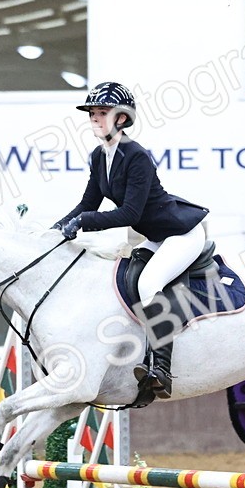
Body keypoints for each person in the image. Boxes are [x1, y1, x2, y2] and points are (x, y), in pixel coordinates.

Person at [53, 81, 210, 399]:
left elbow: (128, 213)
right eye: (93, 113)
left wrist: (83, 223)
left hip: (181, 233)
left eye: (103, 113)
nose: (95, 119)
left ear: (122, 119)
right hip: (156, 237)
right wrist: (54, 231)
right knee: (128, 276)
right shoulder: (100, 157)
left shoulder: (136, 156)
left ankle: (161, 370)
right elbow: (87, 205)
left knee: (149, 284)